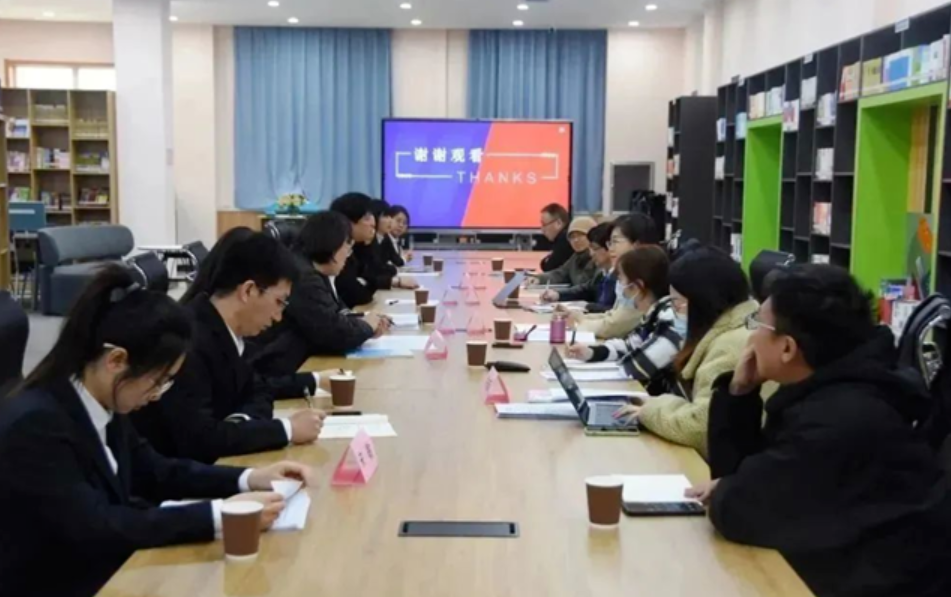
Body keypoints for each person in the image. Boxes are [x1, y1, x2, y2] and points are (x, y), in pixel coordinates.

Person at [0, 266, 314, 597]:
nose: (157, 395)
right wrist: (220, 515)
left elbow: (156, 470)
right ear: (116, 360)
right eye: (158, 381)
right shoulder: (37, 426)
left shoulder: (102, 399)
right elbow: (99, 528)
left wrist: (249, 478)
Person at [691, 265, 951, 597]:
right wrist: (739, 394)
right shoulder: (829, 391)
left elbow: (739, 511)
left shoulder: (839, 417)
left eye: (757, 323)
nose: (751, 335)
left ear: (787, 348)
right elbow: (740, 479)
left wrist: (731, 489)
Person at [130, 233, 331, 464]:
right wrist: (286, 429)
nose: (278, 317)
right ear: (248, 291)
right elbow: (198, 440)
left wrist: (239, 423)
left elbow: (260, 391)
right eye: (279, 302)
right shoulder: (187, 340)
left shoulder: (229, 332)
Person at [615, 246, 757, 454]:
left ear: (702, 302)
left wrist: (650, 411)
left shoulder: (729, 346)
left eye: (677, 303)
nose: (675, 312)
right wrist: (656, 405)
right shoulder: (739, 327)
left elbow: (700, 427)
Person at [251, 211, 387, 375]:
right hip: (281, 368)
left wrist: (364, 322)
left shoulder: (312, 270)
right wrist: (367, 326)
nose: (348, 256)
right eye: (347, 248)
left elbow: (334, 315)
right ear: (333, 244)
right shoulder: (304, 277)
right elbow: (332, 332)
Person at [567, 246, 682, 395]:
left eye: (621, 279)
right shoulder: (652, 313)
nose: (619, 286)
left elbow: (639, 366)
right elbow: (629, 346)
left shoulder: (670, 316)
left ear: (637, 286)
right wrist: (592, 352)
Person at [568, 213, 661, 340]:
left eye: (615, 242)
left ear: (637, 244)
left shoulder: (643, 278)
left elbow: (616, 325)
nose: (610, 249)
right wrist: (581, 317)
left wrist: (580, 324)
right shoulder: (625, 276)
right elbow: (614, 315)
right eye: (609, 243)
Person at [331, 193, 417, 307]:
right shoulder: (337, 251)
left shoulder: (361, 246)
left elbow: (371, 274)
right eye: (367, 218)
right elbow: (356, 292)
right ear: (348, 223)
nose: (373, 222)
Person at [543, 222, 616, 313]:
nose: (591, 254)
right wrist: (557, 294)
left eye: (595, 249)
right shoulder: (602, 274)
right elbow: (585, 290)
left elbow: (614, 311)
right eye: (572, 237)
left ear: (610, 248)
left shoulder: (620, 277)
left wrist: (586, 306)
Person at [529, 216, 597, 287]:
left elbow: (585, 288)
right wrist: (538, 279)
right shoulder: (575, 258)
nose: (576, 240)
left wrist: (559, 293)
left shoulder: (597, 260)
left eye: (580, 235)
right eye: (572, 237)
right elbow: (559, 274)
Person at [539, 203, 573, 272]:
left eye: (544, 224)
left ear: (558, 223)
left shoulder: (564, 239)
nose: (542, 229)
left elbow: (550, 267)